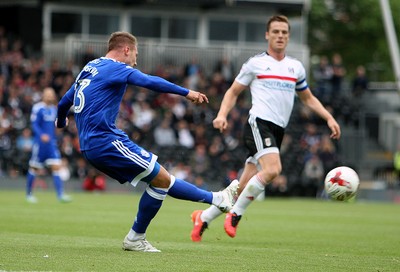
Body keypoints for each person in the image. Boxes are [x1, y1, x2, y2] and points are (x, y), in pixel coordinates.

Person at [55, 31, 239, 252]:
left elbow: (65, 101)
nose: (136, 60)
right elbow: (149, 81)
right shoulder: (117, 68)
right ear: (126, 50)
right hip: (105, 141)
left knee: (159, 181)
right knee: (163, 178)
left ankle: (135, 237)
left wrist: (60, 120)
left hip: (92, 144)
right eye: (136, 53)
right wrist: (186, 92)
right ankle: (217, 198)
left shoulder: (89, 68)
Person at [190, 15, 341, 241]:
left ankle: (203, 217)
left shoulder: (295, 67)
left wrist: (329, 117)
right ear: (267, 35)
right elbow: (232, 92)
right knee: (273, 170)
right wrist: (222, 115)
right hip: (259, 123)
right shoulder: (255, 64)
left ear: (288, 37)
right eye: (276, 32)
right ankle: (236, 214)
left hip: (278, 130)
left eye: (284, 32)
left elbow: (308, 98)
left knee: (240, 188)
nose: (280, 36)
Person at [26, 87, 72, 203]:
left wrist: (63, 123)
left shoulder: (54, 109)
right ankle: (29, 195)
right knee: (34, 168)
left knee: (56, 167)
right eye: (48, 94)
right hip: (40, 144)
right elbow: (34, 124)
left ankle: (60, 195)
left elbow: (57, 124)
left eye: (52, 94)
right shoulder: (38, 108)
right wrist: (41, 135)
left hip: (51, 144)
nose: (50, 96)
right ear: (43, 95)